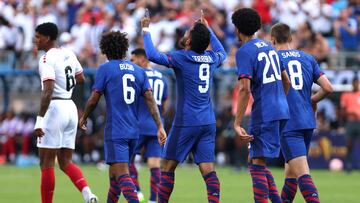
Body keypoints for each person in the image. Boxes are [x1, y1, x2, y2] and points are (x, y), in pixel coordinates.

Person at [141, 10, 226, 203]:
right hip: (207, 122)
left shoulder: (182, 58)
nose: (184, 34)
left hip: (186, 122)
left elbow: (152, 55)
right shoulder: (212, 58)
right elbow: (223, 52)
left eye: (187, 33)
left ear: (188, 42)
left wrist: (145, 28)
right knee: (208, 170)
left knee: (167, 166)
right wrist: (208, 29)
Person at [78, 31, 167, 203]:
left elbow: (94, 98)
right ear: (125, 49)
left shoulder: (105, 68)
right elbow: (150, 101)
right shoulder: (139, 71)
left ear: (105, 49)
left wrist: (84, 117)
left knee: (122, 175)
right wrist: (160, 126)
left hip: (116, 131)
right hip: (134, 131)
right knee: (114, 179)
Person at [33, 22, 98, 203]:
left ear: (47, 38)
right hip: (70, 107)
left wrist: (39, 120)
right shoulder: (69, 53)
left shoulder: (46, 59)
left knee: (46, 163)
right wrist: (65, 85)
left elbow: (48, 90)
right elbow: (81, 78)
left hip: (54, 108)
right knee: (65, 161)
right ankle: (88, 194)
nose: (35, 41)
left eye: (38, 37)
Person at [231, 8, 291, 203]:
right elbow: (286, 81)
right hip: (282, 110)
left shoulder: (244, 52)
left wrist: (237, 123)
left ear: (237, 28)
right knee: (256, 160)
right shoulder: (269, 47)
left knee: (257, 162)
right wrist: (280, 101)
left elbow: (244, 89)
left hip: (265, 112)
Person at [270, 22, 333, 203]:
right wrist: (312, 100)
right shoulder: (307, 58)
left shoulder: (273, 59)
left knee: (302, 173)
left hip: (289, 123)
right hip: (307, 121)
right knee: (291, 173)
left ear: (272, 39)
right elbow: (328, 88)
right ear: (291, 38)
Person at [129, 48, 168, 203]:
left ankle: (137, 192)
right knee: (154, 163)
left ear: (142, 59)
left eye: (133, 60)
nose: (131, 63)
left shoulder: (137, 75)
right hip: (156, 126)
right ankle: (153, 199)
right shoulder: (162, 77)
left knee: (127, 160)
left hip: (138, 124)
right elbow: (164, 103)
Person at [340, 77, 360, 172]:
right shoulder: (346, 95)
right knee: (349, 144)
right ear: (352, 84)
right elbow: (342, 111)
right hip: (351, 122)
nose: (356, 85)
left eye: (357, 83)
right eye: (354, 83)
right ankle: (348, 166)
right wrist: (351, 113)